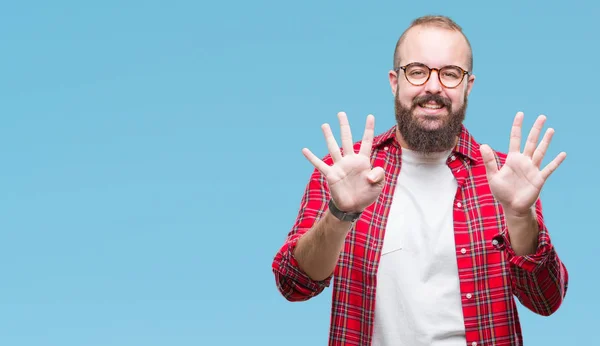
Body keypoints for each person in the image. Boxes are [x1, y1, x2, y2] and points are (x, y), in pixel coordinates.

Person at [271, 15, 568, 346]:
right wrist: (340, 214)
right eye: (417, 71)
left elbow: (545, 301)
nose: (433, 86)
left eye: (451, 74)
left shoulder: (506, 177)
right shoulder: (342, 171)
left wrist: (519, 216)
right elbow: (293, 284)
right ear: (394, 81)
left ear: (468, 86)